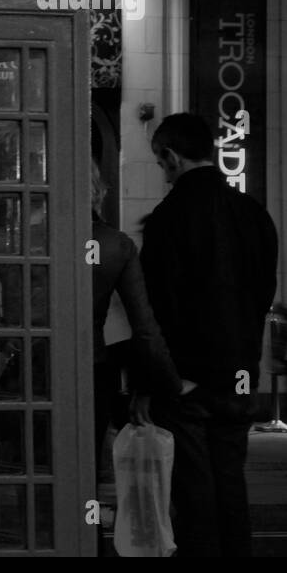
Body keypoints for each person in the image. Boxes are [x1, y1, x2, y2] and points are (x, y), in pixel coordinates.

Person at [140, 113, 280, 557]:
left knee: (195, 499)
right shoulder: (255, 214)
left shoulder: (167, 219)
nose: (162, 172)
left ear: (171, 156)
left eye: (160, 162)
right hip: (239, 377)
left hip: (187, 382)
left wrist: (159, 380)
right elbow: (262, 295)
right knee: (231, 489)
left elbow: (157, 309)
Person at [89, 158, 181, 465]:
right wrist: (167, 383)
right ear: (97, 188)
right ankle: (83, 513)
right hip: (93, 367)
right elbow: (145, 325)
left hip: (35, 368)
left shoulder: (29, 240)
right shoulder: (116, 245)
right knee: (85, 465)